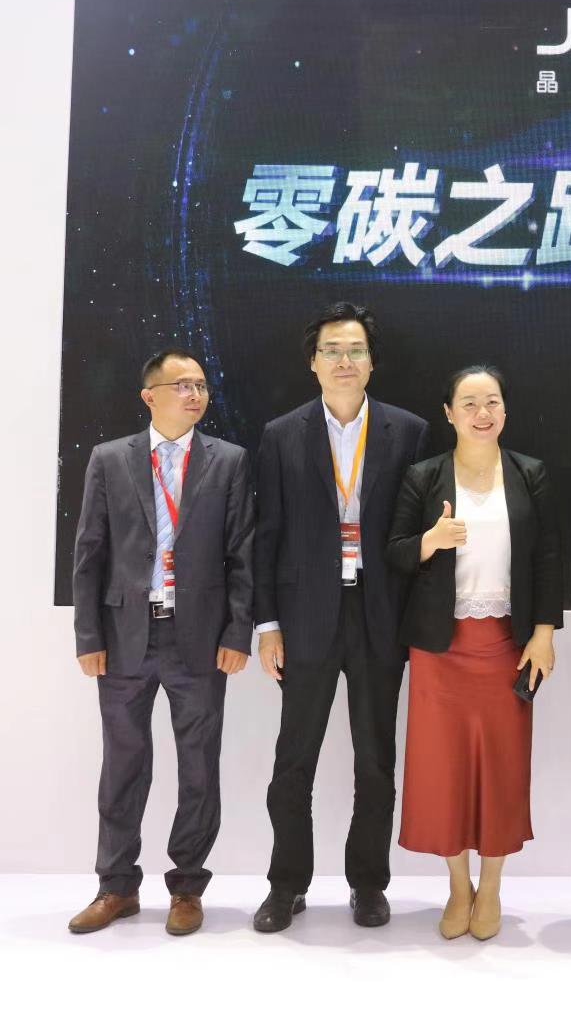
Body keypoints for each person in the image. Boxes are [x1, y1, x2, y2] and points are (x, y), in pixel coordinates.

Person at [252, 302, 429, 932]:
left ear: (372, 361)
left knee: (375, 762)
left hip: (380, 617)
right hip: (306, 618)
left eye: (355, 350)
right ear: (313, 362)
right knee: (293, 760)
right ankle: (286, 884)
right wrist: (267, 625)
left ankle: (369, 883)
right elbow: (266, 535)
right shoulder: (281, 434)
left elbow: (417, 535)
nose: (344, 360)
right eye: (332, 350)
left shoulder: (408, 431)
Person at [69, 348, 253, 936]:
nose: (195, 394)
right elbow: (89, 552)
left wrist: (238, 631)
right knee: (123, 763)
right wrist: (88, 634)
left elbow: (242, 553)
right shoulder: (109, 459)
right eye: (182, 385)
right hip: (124, 634)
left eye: (201, 385)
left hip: (198, 637)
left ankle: (187, 886)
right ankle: (116, 886)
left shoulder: (228, 461)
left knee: (199, 765)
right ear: (150, 396)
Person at [387, 365, 561, 940]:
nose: (482, 413)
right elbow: (394, 553)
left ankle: (491, 886)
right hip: (440, 648)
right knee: (444, 771)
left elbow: (548, 557)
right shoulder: (424, 476)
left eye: (492, 402)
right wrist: (430, 542)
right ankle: (458, 886)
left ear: (504, 410)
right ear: (449, 413)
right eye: (469, 403)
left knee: (502, 767)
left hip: (507, 644)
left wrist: (543, 632)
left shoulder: (530, 473)